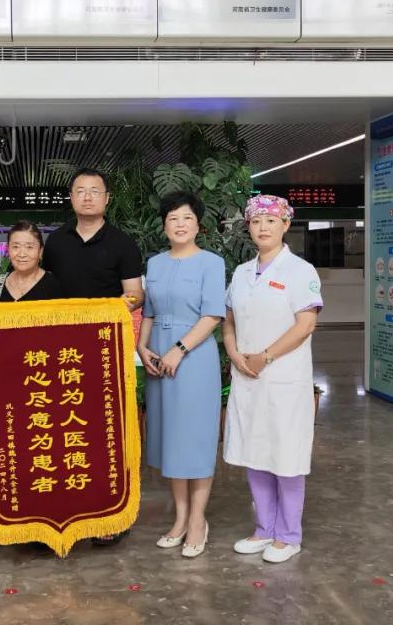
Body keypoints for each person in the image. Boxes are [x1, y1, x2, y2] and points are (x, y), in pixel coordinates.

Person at [42, 167, 144, 546]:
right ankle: (68, 509)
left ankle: (111, 515)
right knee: (66, 431)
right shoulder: (55, 242)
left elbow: (135, 294)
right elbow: (40, 287)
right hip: (60, 353)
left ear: (107, 198)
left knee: (107, 432)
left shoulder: (122, 243)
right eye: (80, 191)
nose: (87, 197)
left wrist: (98, 313)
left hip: (104, 351)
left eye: (95, 191)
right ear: (71, 198)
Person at [223, 194, 322, 564]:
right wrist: (234, 354)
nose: (262, 227)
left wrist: (265, 356)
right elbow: (228, 321)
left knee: (286, 452)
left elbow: (305, 324)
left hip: (283, 376)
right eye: (255, 221)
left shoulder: (300, 271)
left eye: (270, 221)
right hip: (248, 374)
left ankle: (288, 535)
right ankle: (264, 529)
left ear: (285, 224)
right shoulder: (241, 273)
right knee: (255, 450)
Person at [137, 192, 225, 558]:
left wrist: (180, 349)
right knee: (171, 439)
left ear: (198, 224)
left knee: (196, 439)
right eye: (173, 218)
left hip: (195, 357)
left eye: (187, 218)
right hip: (158, 357)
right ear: (164, 225)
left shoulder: (212, 263)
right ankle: (180, 518)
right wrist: (142, 347)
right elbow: (149, 312)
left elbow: (213, 315)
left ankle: (198, 520)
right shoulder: (155, 263)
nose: (180, 224)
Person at [0, 221, 65, 302]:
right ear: (8, 250)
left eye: (29, 247)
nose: (22, 254)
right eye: (16, 247)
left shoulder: (53, 287)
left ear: (40, 251)